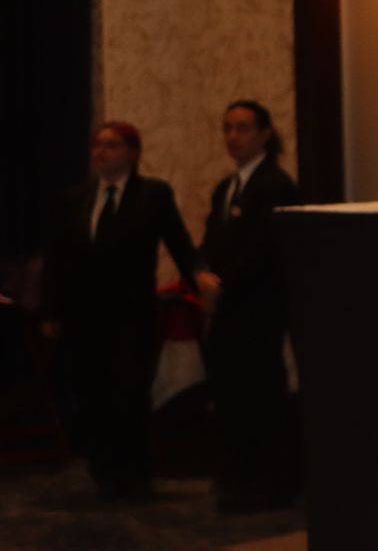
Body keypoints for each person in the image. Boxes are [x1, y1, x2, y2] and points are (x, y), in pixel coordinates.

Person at [39, 121, 197, 498]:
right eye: (97, 144)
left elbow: (179, 243)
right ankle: (104, 469)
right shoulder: (74, 199)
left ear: (132, 153)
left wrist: (200, 279)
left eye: (111, 145)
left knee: (128, 392)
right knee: (92, 392)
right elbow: (57, 259)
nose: (101, 152)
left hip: (131, 314)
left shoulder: (152, 195)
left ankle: (135, 473)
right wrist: (50, 311)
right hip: (83, 316)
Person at [197, 100, 301, 512]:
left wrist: (222, 283)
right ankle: (239, 477)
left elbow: (262, 249)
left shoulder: (275, 185)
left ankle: (270, 485)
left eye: (242, 128)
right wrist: (201, 273)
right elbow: (211, 241)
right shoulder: (226, 187)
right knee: (231, 395)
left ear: (264, 134)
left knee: (261, 394)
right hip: (228, 310)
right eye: (227, 128)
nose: (233, 136)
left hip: (259, 308)